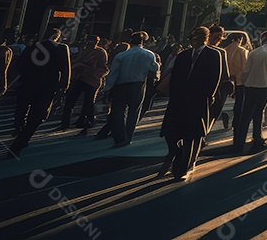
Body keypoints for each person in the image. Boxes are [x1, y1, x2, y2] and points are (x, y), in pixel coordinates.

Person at [158, 26, 222, 181]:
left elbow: (215, 77)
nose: (196, 40)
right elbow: (175, 78)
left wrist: (209, 95)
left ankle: (182, 168)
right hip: (179, 99)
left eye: (199, 37)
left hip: (198, 99)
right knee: (170, 132)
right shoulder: (184, 55)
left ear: (206, 38)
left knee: (192, 135)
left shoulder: (213, 55)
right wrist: (173, 95)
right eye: (194, 37)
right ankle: (176, 152)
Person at [9, 29, 71, 158]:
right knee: (37, 115)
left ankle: (19, 127)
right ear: (57, 37)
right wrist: (63, 87)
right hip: (47, 87)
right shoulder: (61, 48)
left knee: (21, 109)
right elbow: (65, 70)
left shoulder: (31, 47)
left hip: (27, 84)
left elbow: (19, 65)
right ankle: (20, 142)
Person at [104, 31, 160, 147]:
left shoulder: (121, 56)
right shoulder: (149, 54)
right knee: (134, 112)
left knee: (118, 112)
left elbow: (113, 74)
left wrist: (107, 89)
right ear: (143, 42)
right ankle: (128, 137)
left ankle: (119, 137)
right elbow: (154, 67)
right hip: (138, 85)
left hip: (120, 86)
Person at [234, 31, 267, 154]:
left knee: (246, 114)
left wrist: (245, 82)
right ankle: (257, 138)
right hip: (265, 86)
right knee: (258, 113)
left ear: (261, 39)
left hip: (250, 85)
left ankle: (239, 142)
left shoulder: (254, 53)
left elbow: (246, 70)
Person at [59, 35, 107, 133]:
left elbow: (103, 68)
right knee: (71, 100)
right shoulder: (84, 50)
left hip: (90, 79)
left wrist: (90, 72)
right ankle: (66, 122)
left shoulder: (100, 52)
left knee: (88, 102)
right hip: (80, 78)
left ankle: (85, 121)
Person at [222, 33, 249, 130]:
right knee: (239, 102)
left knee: (224, 100)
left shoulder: (224, 50)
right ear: (239, 39)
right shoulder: (242, 51)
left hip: (227, 79)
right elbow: (246, 68)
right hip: (240, 81)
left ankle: (224, 115)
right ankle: (236, 122)